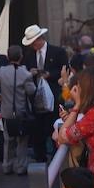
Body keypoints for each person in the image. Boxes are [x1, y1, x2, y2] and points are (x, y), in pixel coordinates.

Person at [21, 24, 68, 162]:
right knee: (38, 131)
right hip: (37, 100)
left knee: (54, 127)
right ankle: (40, 158)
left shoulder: (58, 51)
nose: (32, 46)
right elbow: (25, 72)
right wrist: (31, 73)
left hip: (55, 97)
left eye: (33, 42)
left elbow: (65, 70)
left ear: (40, 39)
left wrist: (50, 75)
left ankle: (56, 158)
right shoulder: (29, 55)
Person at [0, 46, 37, 175]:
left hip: (6, 111)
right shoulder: (25, 73)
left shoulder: (2, 71)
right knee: (22, 141)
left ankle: (7, 165)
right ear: (21, 57)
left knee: (8, 140)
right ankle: (20, 167)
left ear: (7, 57)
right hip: (21, 111)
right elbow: (31, 91)